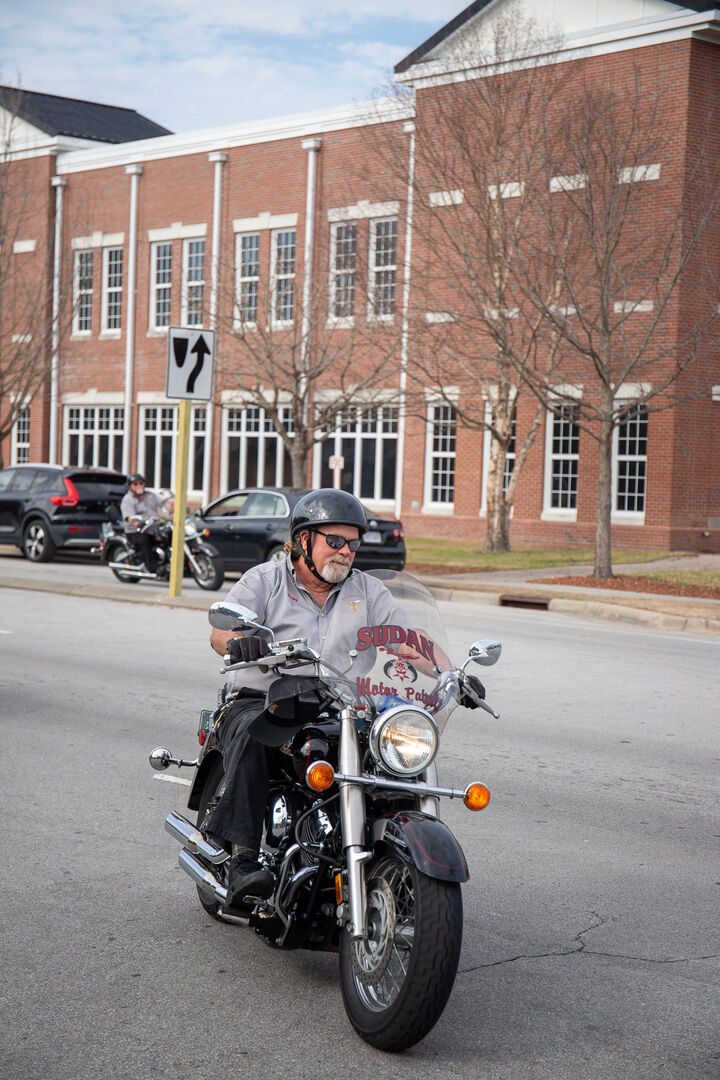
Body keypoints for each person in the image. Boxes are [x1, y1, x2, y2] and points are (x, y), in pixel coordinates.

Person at [206, 488, 484, 910]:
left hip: (338, 702)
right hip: (262, 696)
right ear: (303, 540)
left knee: (389, 749)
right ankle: (243, 859)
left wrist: (451, 674)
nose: (345, 551)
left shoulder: (367, 591)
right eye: (334, 541)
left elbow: (410, 641)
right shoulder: (264, 580)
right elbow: (221, 631)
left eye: (353, 543)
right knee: (254, 733)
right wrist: (239, 642)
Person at [119, 473, 168, 572]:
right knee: (144, 541)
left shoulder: (150, 495)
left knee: (167, 537)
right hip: (136, 530)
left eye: (141, 483)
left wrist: (171, 507)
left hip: (152, 527)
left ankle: (167, 562)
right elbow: (129, 517)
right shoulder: (128, 499)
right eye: (135, 484)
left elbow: (164, 504)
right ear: (130, 486)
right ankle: (153, 568)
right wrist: (138, 523)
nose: (139, 486)